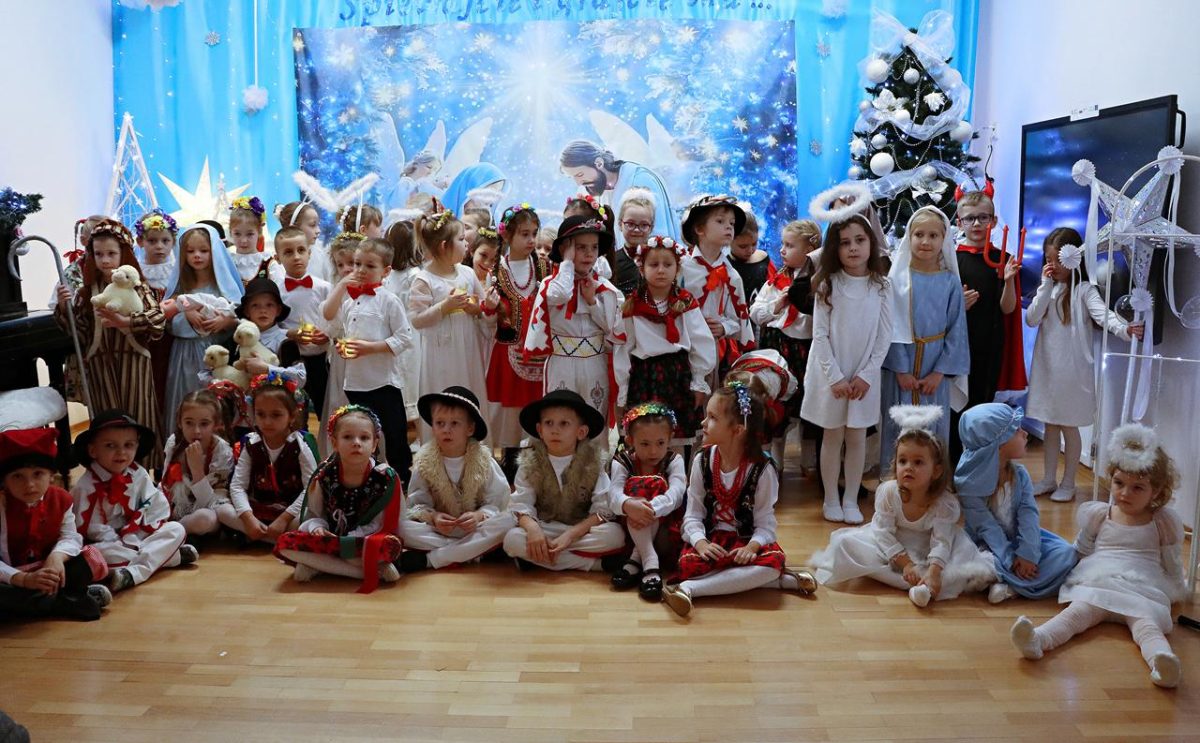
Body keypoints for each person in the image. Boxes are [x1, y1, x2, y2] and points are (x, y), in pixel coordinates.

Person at [1010, 424, 1187, 688]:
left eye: (1137, 488)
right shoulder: (1100, 514)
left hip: (1141, 585)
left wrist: (1177, 589)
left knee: (1147, 626)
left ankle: (1161, 663)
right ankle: (1039, 639)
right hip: (1100, 578)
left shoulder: (1161, 521)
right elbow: (1080, 549)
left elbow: (1172, 560)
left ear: (1157, 492)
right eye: (1119, 483)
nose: (1124, 493)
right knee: (1075, 615)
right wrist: (1062, 572)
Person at [810, 405, 994, 607]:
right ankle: (915, 582)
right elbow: (882, 532)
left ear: (936, 471)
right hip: (893, 543)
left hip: (928, 546)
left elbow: (942, 541)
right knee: (844, 544)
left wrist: (934, 570)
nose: (908, 468)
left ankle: (926, 583)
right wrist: (906, 564)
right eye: (903, 461)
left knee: (961, 559)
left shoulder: (943, 502)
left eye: (918, 462)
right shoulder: (888, 492)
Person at [662, 383, 817, 617]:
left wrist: (751, 547)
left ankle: (690, 589)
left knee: (772, 562)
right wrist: (701, 543)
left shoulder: (762, 469)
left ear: (737, 430)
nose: (703, 423)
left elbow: (765, 523)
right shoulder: (701, 460)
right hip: (711, 539)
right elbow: (693, 515)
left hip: (745, 540)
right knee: (688, 564)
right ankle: (779, 581)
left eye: (712, 417)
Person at [1025, 227, 1141, 502]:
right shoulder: (1049, 289)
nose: (1053, 266)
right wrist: (1045, 286)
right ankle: (1049, 479)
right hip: (1047, 369)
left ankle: (1069, 483)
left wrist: (1125, 329)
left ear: (1074, 258)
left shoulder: (1085, 290)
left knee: (1068, 425)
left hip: (1072, 371)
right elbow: (1031, 318)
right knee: (1050, 425)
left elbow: (1104, 316)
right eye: (1048, 260)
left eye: (1059, 260)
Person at [800, 214, 892, 524]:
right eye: (845, 243)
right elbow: (820, 335)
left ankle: (851, 498)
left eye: (860, 240)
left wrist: (866, 375)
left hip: (864, 375)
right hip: (832, 374)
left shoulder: (882, 286)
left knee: (857, 437)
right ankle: (831, 497)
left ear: (871, 243)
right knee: (832, 435)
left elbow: (884, 336)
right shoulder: (828, 284)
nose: (853, 248)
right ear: (834, 249)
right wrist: (835, 377)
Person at [54, 218, 166, 467]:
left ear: (123, 254)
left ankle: (142, 475)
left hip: (134, 364)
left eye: (111, 254)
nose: (105, 260)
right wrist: (64, 308)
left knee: (138, 419)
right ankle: (109, 476)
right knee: (107, 424)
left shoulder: (138, 287)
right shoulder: (87, 292)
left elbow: (158, 319)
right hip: (100, 368)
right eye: (99, 254)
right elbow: (80, 334)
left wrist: (127, 322)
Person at [0, 395, 112, 620]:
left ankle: (42, 602)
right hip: (10, 575)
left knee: (89, 559)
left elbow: (70, 536)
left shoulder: (61, 499)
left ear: (51, 475)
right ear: (4, 481)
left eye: (38, 474)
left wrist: (57, 558)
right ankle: (63, 601)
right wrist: (22, 579)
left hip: (46, 569)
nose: (29, 485)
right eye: (18, 476)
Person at [955, 403, 1077, 603]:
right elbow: (987, 527)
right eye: (1017, 430)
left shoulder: (1020, 475)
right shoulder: (969, 486)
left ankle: (1010, 585)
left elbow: (1029, 514)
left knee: (1066, 553)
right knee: (977, 560)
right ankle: (1012, 580)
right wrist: (1010, 560)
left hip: (1019, 538)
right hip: (988, 544)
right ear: (998, 444)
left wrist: (1028, 554)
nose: (1025, 433)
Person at [275, 405, 403, 593]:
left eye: (364, 438)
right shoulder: (324, 474)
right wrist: (317, 528)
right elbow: (314, 514)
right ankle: (366, 572)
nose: (356, 443)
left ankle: (319, 565)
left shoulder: (384, 478)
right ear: (334, 443)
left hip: (362, 542)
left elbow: (380, 525)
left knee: (386, 547)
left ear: (374, 444)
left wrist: (347, 541)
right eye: (348, 437)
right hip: (330, 540)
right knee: (286, 543)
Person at [879, 207, 969, 473]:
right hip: (902, 368)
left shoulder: (950, 282)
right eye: (919, 234)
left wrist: (940, 372)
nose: (926, 241)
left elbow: (957, 330)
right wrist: (901, 369)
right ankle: (894, 479)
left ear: (944, 239)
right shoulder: (896, 281)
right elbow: (890, 326)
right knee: (899, 424)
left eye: (933, 235)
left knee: (933, 427)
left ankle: (933, 480)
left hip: (934, 368)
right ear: (909, 237)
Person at [322, 237, 415, 480]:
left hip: (383, 382)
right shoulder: (351, 301)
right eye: (357, 264)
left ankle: (402, 479)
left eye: (370, 265)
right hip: (355, 382)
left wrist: (370, 348)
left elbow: (405, 337)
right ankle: (370, 476)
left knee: (394, 433)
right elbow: (333, 319)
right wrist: (344, 347)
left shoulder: (389, 301)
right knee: (364, 433)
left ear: (386, 271)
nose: (361, 270)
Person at [72, 411, 195, 593]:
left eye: (128, 445)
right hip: (111, 543)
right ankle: (169, 557)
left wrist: (137, 531)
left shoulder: (139, 473)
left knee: (176, 529)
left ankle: (133, 573)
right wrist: (123, 542)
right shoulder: (86, 486)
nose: (121, 452)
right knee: (101, 556)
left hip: (138, 534)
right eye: (110, 446)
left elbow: (156, 504)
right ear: (93, 450)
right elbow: (91, 527)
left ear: (136, 447)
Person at [502, 390, 624, 572]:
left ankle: (538, 558)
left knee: (615, 535)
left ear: (581, 432)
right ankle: (592, 564)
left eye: (564, 423)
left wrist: (570, 535)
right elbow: (521, 504)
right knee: (512, 539)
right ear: (540, 430)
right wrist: (534, 530)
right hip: (545, 528)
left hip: (579, 530)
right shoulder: (530, 463)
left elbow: (602, 510)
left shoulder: (592, 463)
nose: (555, 430)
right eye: (548, 423)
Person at [613, 235, 715, 448]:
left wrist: (698, 381)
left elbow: (701, 342)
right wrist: (623, 391)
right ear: (642, 269)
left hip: (678, 376)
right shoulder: (632, 305)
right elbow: (624, 349)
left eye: (667, 265)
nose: (661, 270)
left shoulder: (685, 302)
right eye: (654, 264)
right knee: (644, 436)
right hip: (644, 378)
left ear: (677, 269)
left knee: (676, 438)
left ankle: (676, 469)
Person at [399, 387, 514, 572]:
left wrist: (478, 516)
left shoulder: (484, 460)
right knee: (401, 528)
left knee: (508, 522)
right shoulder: (424, 463)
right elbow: (416, 504)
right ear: (432, 426)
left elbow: (499, 501)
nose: (446, 430)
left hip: (476, 528)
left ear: (470, 428)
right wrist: (434, 517)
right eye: (440, 423)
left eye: (454, 423)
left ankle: (431, 559)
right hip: (440, 531)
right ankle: (473, 551)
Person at [524, 216, 624, 425]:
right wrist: (567, 263)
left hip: (595, 363)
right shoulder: (550, 284)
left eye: (594, 247)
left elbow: (612, 328)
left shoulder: (604, 288)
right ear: (564, 249)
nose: (589, 253)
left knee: (594, 420)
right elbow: (561, 295)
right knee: (561, 418)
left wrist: (592, 302)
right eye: (580, 247)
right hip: (561, 363)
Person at [952, 191, 1024, 460]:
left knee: (982, 404)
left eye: (983, 218)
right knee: (956, 404)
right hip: (958, 346)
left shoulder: (1004, 259)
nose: (977, 224)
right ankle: (954, 461)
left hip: (990, 345)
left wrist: (1008, 280)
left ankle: (977, 463)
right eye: (969, 218)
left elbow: (1008, 308)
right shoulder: (951, 260)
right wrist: (958, 305)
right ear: (959, 223)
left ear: (993, 221)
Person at [482, 204, 550, 479]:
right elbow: (487, 322)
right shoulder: (496, 272)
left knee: (537, 409)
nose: (531, 240)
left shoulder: (545, 268)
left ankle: (538, 465)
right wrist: (489, 309)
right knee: (509, 414)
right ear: (507, 235)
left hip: (540, 354)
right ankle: (509, 465)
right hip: (508, 353)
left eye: (534, 233)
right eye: (524, 234)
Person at [408, 210, 488, 441]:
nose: (466, 244)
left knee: (469, 392)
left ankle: (472, 447)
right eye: (461, 239)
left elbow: (481, 305)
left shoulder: (468, 273)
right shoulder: (424, 279)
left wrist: (477, 308)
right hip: (439, 353)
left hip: (467, 349)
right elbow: (417, 319)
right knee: (444, 393)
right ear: (444, 246)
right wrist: (445, 306)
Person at [161, 223, 244, 437]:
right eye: (190, 251)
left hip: (217, 353)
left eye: (204, 250)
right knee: (186, 398)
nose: (197, 256)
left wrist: (226, 321)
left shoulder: (223, 287)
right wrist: (186, 312)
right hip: (185, 354)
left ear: (214, 252)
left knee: (214, 404)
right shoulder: (180, 288)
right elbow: (167, 318)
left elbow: (240, 317)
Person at [750, 220, 820, 471]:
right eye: (782, 244)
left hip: (806, 349)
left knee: (807, 404)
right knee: (777, 404)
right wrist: (777, 305)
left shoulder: (818, 282)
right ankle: (775, 462)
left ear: (809, 250)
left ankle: (809, 461)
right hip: (778, 348)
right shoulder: (776, 279)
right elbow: (755, 313)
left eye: (790, 245)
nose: (782, 250)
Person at [608, 403, 687, 601]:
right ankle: (650, 564)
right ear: (630, 440)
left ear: (670, 439)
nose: (653, 451)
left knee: (655, 485)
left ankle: (637, 559)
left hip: (666, 531)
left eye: (660, 443)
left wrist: (649, 508)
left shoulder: (674, 460)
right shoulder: (622, 461)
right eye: (645, 444)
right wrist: (628, 505)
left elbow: (677, 493)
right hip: (631, 530)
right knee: (636, 488)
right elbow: (613, 495)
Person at [227, 374, 317, 544]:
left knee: (309, 519)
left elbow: (310, 489)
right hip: (259, 509)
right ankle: (273, 537)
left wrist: (284, 519)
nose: (267, 422)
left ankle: (262, 537)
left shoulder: (300, 446)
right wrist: (248, 518)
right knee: (222, 511)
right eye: (261, 414)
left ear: (292, 416)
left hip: (291, 512)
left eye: (276, 415)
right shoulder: (251, 443)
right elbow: (238, 485)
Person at [678, 195, 754, 381]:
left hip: (713, 353)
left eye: (732, 223)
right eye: (720, 221)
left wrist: (723, 327)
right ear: (699, 229)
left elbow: (738, 320)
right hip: (681, 347)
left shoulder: (732, 276)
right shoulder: (680, 268)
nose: (729, 227)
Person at [559, 140, 678, 241]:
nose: (578, 182)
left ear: (599, 163)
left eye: (580, 174)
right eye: (572, 177)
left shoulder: (640, 180)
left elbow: (657, 235)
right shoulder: (591, 191)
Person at [273, 225, 332, 420]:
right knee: (294, 411)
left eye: (301, 250)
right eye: (288, 252)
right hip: (291, 360)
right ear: (277, 258)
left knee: (326, 409)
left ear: (309, 253)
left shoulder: (324, 287)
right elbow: (271, 328)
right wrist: (290, 334)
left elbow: (335, 320)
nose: (296, 257)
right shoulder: (276, 292)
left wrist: (328, 335)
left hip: (321, 359)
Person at [161, 390, 236, 537]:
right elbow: (165, 487)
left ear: (216, 424)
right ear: (180, 422)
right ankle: (172, 532)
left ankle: (174, 533)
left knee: (206, 518)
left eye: (204, 424)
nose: (196, 431)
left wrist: (197, 470)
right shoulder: (174, 442)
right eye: (189, 423)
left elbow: (213, 504)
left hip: (207, 510)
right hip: (177, 509)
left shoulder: (222, 451)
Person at [319, 232, 366, 456]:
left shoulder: (374, 289)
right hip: (343, 358)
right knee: (342, 402)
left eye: (352, 263)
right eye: (340, 264)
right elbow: (328, 314)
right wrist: (341, 288)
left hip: (366, 355)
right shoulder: (337, 290)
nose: (347, 269)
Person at [381, 219, 425, 423]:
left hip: (410, 333)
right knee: (400, 373)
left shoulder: (413, 275)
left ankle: (414, 420)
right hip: (397, 331)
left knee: (411, 374)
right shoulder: (391, 275)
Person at [728, 206, 775, 312]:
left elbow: (774, 288)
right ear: (729, 241)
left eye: (754, 244)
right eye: (743, 246)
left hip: (765, 315)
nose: (750, 250)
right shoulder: (725, 266)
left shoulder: (763, 258)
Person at [612, 187, 657, 296]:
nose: (636, 230)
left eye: (644, 225)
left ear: (651, 227)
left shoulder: (659, 257)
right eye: (630, 224)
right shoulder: (611, 261)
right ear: (620, 224)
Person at [228, 196, 282, 284]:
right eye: (237, 234)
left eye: (250, 234)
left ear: (259, 231)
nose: (244, 240)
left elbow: (280, 290)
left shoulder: (269, 264)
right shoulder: (227, 263)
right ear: (230, 232)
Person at [276, 199, 326, 281]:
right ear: (294, 228)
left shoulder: (321, 254)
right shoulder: (278, 265)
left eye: (318, 224)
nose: (318, 231)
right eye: (312, 225)